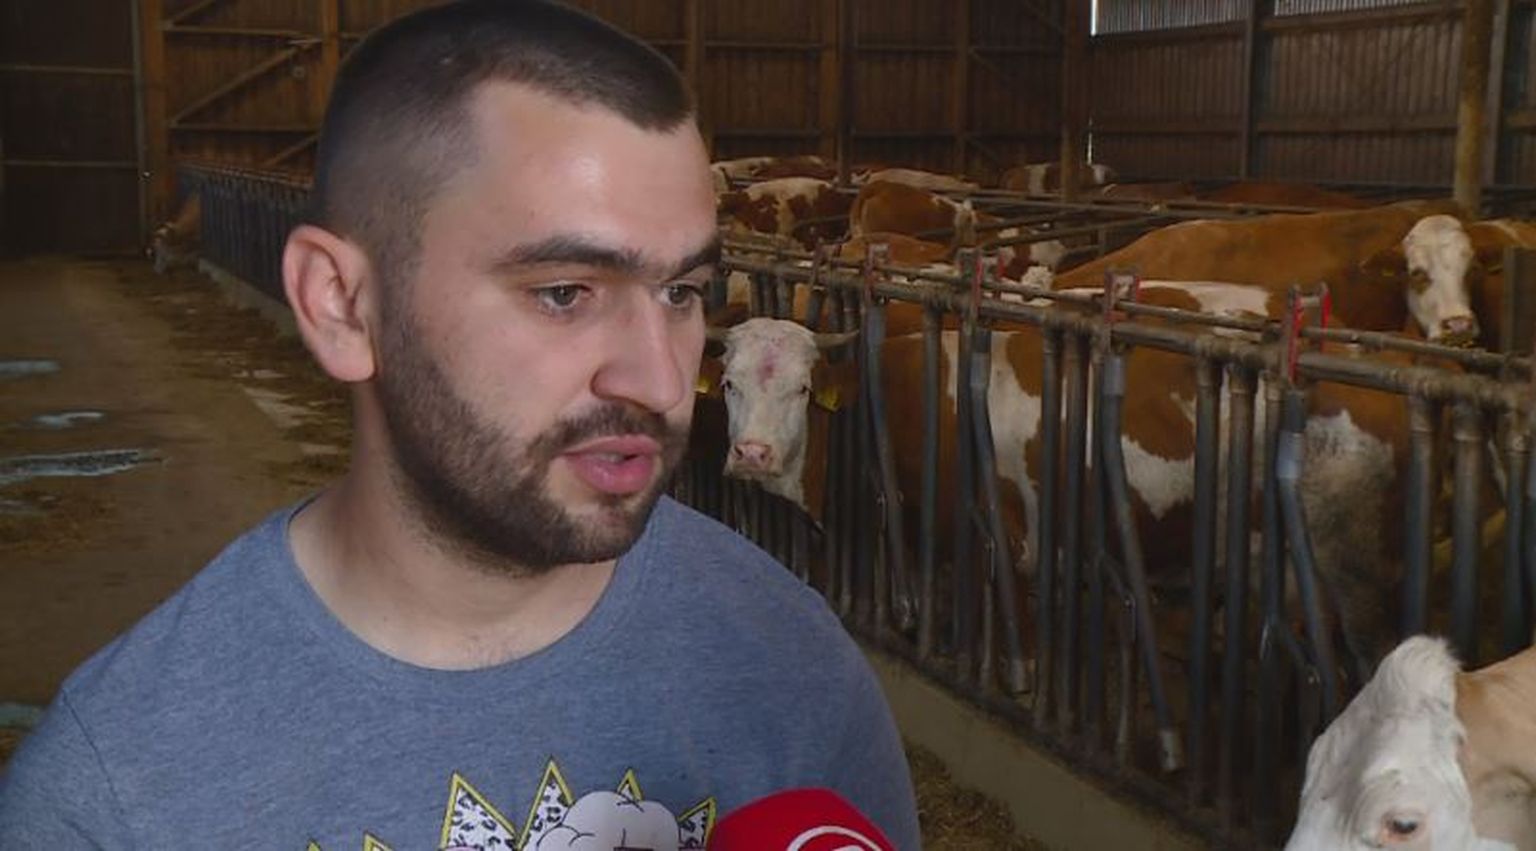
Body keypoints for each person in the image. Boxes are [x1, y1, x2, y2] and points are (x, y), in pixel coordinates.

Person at [0, 1, 921, 848]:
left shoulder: (794, 670)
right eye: (564, 292)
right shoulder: (110, 799)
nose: (662, 379)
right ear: (341, 305)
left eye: (682, 291)